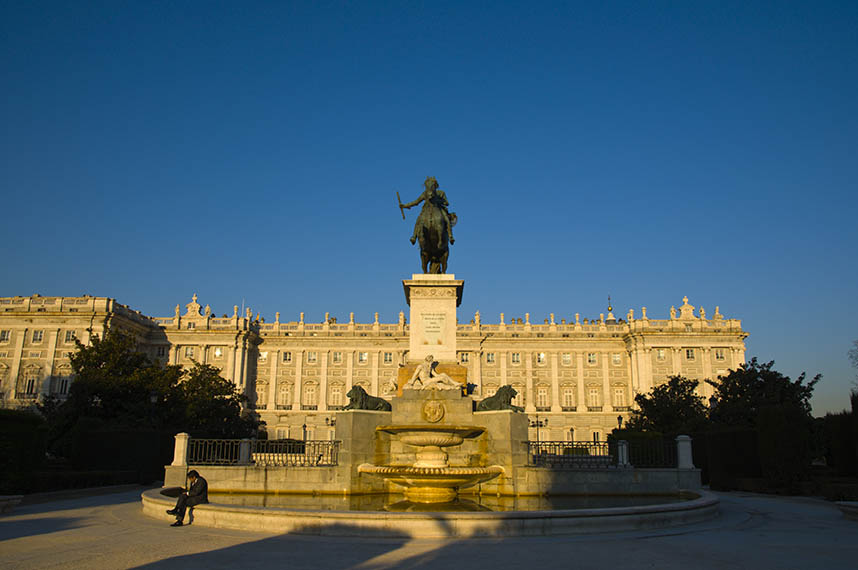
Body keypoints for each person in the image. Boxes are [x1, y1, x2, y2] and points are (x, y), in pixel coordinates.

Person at [402, 176, 456, 245]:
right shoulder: (425, 193)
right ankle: (414, 236)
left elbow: (447, 203)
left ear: (435, 186)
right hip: (426, 210)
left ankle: (450, 236)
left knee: (446, 219)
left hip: (438, 208)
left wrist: (438, 200)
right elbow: (416, 202)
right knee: (419, 219)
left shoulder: (441, 193)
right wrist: (405, 206)